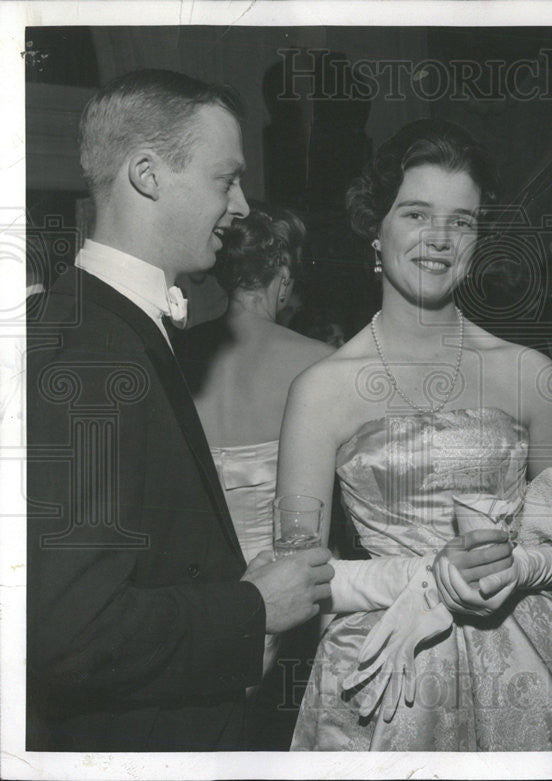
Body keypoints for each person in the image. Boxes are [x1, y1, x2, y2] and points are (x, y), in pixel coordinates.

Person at [278, 119, 552, 750]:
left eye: (461, 221)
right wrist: (431, 577)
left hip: (531, 671)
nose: (438, 239)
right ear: (375, 229)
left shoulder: (530, 376)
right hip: (387, 677)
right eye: (415, 213)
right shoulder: (321, 389)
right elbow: (297, 577)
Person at [26, 69, 334, 752]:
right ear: (147, 174)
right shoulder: (92, 357)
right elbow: (67, 635)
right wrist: (252, 608)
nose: (243, 206)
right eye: (226, 180)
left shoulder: (107, 327)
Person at [176, 205, 335, 747]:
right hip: (290, 600)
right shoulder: (319, 363)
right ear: (283, 278)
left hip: (199, 607)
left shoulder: (178, 353)